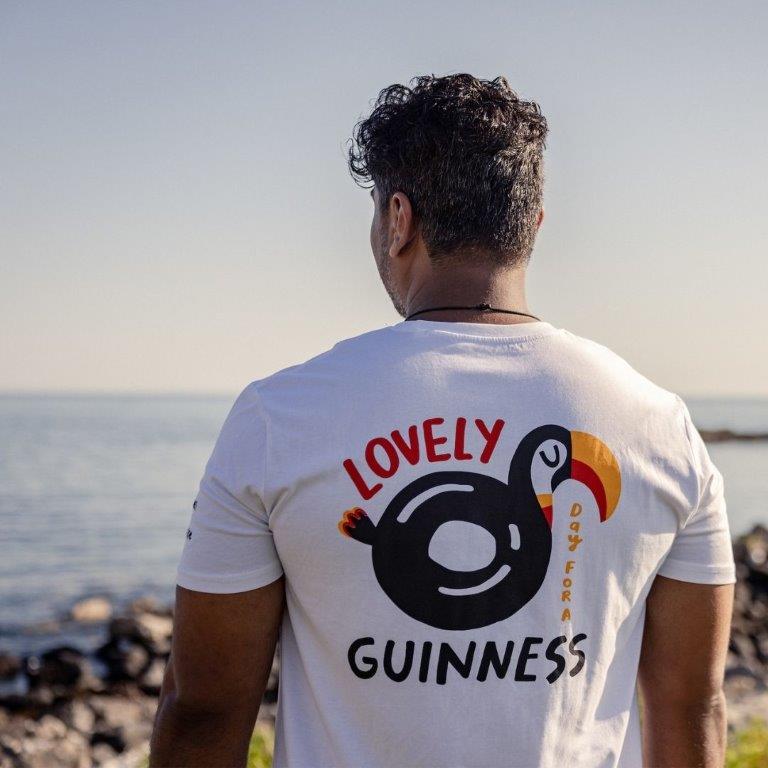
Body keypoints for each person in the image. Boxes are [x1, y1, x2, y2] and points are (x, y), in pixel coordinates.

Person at [149, 73, 736, 768]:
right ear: (533, 225)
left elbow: (204, 707)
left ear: (399, 219)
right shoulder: (660, 424)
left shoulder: (279, 417)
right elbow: (693, 709)